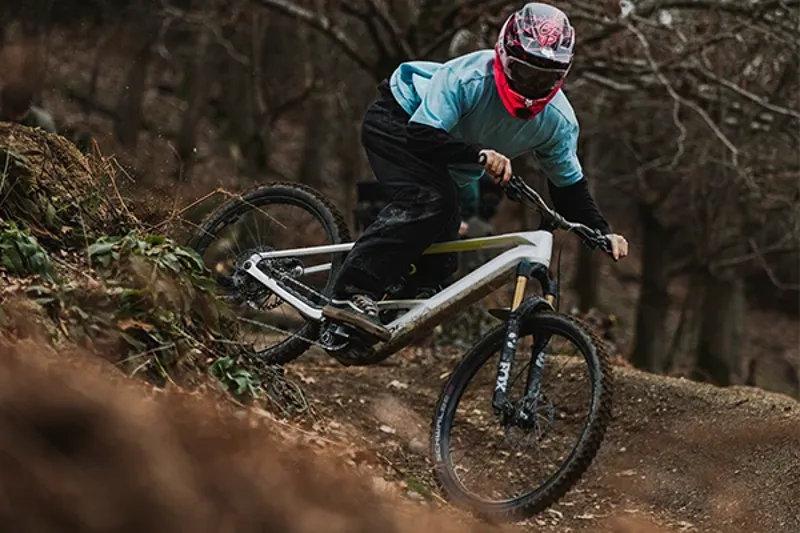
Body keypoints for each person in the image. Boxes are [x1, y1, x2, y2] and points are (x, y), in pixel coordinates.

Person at [322, 2, 629, 341]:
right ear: (503, 55)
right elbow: (422, 135)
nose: (531, 86)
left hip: (447, 161)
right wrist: (480, 155)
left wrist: (601, 231)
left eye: (545, 78)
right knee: (428, 202)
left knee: (440, 264)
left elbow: (569, 188)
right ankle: (349, 292)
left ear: (562, 76)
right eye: (524, 72)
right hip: (399, 122)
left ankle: (379, 318)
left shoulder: (558, 121)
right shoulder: (469, 77)